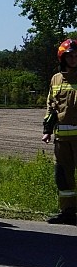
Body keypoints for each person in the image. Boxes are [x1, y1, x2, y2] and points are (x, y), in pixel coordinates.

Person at [41, 37, 77, 225]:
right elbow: (51, 106)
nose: (73, 59)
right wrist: (47, 129)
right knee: (62, 177)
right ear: (63, 57)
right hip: (61, 140)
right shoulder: (56, 79)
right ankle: (68, 212)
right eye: (70, 56)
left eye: (76, 56)